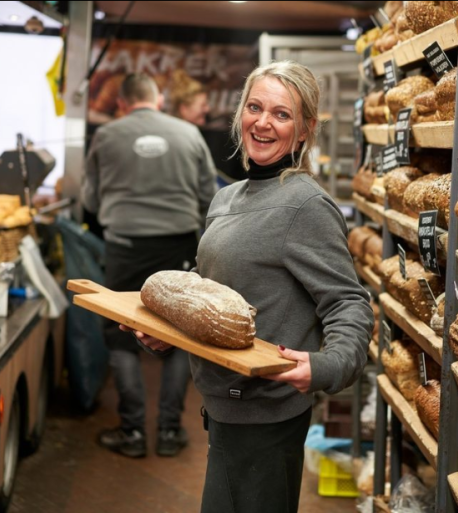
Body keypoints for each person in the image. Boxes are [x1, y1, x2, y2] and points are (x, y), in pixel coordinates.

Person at [126, 61, 374, 511]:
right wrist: (166, 331)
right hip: (223, 407)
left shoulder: (305, 205)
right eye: (254, 107)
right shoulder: (227, 197)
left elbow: (349, 303)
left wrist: (327, 365)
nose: (263, 122)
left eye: (281, 114)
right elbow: (214, 293)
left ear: (304, 131)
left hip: (266, 418)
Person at [82, 73, 217, 458]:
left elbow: (90, 199)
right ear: (158, 100)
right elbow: (210, 196)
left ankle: (133, 432)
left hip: (123, 247)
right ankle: (170, 431)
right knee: (176, 337)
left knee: (120, 333)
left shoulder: (106, 136)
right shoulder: (189, 134)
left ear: (122, 104)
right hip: (177, 246)